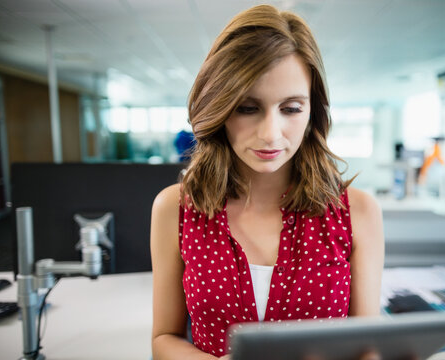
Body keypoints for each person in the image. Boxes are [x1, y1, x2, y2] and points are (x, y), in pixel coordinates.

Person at [150, 4, 384, 360]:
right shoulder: (176, 208)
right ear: (220, 108)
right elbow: (164, 337)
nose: (271, 134)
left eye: (291, 109)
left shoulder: (358, 212)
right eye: (247, 108)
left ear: (312, 112)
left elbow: (367, 346)